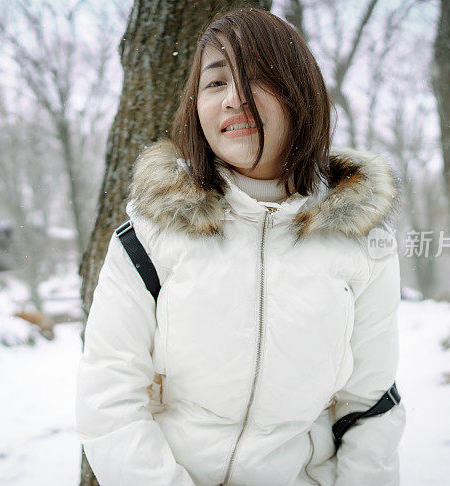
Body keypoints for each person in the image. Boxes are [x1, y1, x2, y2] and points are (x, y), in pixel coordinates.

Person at [76, 7, 405, 486]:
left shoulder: (362, 240)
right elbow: (109, 395)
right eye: (214, 83)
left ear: (300, 94)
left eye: (257, 79)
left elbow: (370, 404)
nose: (233, 99)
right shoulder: (150, 233)